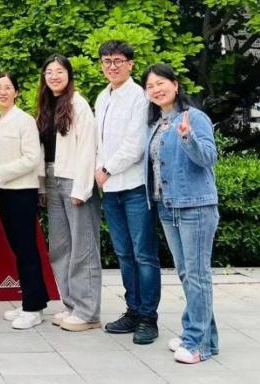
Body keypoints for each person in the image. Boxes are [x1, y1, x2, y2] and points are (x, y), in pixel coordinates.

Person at [142, 63, 220, 365]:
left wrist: (188, 138)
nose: (156, 90)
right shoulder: (157, 123)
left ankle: (197, 343)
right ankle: (203, 336)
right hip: (168, 206)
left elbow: (209, 157)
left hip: (195, 206)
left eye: (161, 83)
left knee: (197, 275)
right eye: (150, 86)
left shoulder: (194, 117)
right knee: (188, 274)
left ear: (175, 84)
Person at [93, 41, 159, 345]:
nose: (112, 66)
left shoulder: (140, 97)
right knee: (124, 253)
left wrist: (106, 169)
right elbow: (98, 143)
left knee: (144, 254)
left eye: (118, 60)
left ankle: (148, 317)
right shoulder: (101, 97)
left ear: (131, 64)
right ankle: (133, 310)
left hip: (134, 187)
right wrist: (98, 171)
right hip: (110, 190)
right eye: (107, 61)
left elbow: (136, 145)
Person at [37, 54, 101, 332]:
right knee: (61, 247)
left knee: (82, 248)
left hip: (75, 180)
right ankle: (71, 304)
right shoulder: (45, 105)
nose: (54, 76)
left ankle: (88, 312)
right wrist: (42, 186)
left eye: (59, 71)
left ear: (69, 75)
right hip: (53, 179)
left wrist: (82, 188)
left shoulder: (79, 104)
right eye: (49, 72)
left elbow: (88, 148)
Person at [0, 72, 49, 330]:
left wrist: (0, 172)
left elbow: (32, 158)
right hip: (2, 191)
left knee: (27, 249)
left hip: (23, 191)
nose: (2, 92)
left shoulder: (25, 121)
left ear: (16, 92)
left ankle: (33, 309)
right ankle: (32, 300)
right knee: (18, 249)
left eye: (8, 87)